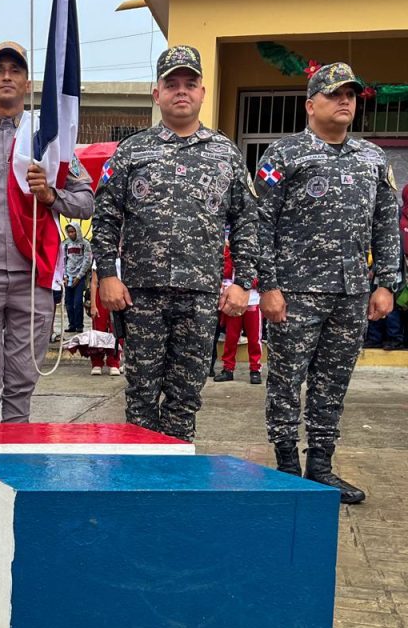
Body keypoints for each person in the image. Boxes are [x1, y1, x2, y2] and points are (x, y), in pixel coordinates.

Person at [92, 45, 257, 442]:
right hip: (141, 296)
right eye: (172, 84)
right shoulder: (132, 151)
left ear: (202, 92)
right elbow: (106, 217)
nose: (181, 91)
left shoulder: (226, 153)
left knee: (185, 399)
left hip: (199, 297)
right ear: (157, 93)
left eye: (190, 83)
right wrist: (107, 275)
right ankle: (139, 476)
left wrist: (243, 283)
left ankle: (176, 475)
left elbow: (247, 221)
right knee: (141, 397)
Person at [256, 62, 400, 502]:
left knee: (333, 383)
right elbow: (260, 224)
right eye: (334, 94)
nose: (344, 101)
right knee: (285, 382)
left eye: (350, 95)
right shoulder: (283, 155)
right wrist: (268, 286)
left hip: (351, 292)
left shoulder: (372, 158)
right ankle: (286, 467)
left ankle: (320, 467)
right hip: (294, 292)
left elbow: (386, 224)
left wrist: (386, 283)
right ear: (310, 105)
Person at [0, 41, 94, 423]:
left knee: (22, 384)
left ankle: (14, 454)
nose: (6, 76)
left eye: (15, 70)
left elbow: (86, 201)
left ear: (28, 84)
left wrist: (50, 195)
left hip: (33, 275)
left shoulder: (46, 137)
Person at [213, 240, 262, 383]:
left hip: (253, 301)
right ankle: (228, 369)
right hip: (233, 302)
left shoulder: (256, 253)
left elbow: (262, 275)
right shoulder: (229, 254)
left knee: (254, 339)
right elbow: (225, 273)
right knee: (231, 337)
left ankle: (255, 370)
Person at [89, 262, 121, 377]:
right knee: (99, 329)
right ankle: (97, 362)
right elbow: (94, 282)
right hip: (101, 294)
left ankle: (114, 362)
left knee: (116, 329)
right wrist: (93, 305)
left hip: (118, 295)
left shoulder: (125, 257)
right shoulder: (101, 258)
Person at [61, 223, 91, 333]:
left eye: (73, 231)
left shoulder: (85, 244)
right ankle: (72, 325)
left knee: (78, 302)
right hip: (68, 277)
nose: (70, 234)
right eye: (69, 232)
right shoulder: (66, 244)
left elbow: (87, 261)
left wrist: (78, 277)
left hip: (80, 277)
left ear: (77, 231)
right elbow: (63, 260)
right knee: (68, 303)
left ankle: (79, 326)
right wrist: (64, 276)